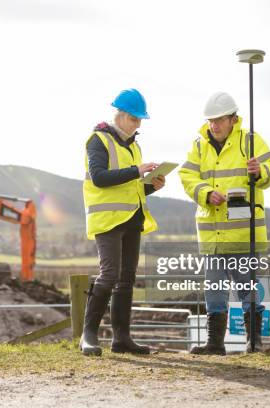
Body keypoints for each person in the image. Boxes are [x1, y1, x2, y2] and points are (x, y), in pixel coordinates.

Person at [179, 91, 270, 354]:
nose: (214, 125)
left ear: (233, 119)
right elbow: (187, 175)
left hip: (243, 233)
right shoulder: (199, 145)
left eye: (220, 119)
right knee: (214, 290)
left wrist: (261, 171)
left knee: (248, 288)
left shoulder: (250, 141)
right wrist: (204, 192)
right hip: (212, 235)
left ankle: (254, 341)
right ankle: (214, 344)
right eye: (211, 120)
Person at [80, 88, 165, 356]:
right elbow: (100, 178)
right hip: (108, 219)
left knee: (127, 279)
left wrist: (151, 186)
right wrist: (136, 171)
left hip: (132, 217)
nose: (138, 124)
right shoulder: (98, 140)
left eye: (140, 120)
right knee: (110, 274)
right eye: (134, 119)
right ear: (121, 115)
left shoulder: (134, 146)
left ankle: (122, 338)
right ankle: (88, 335)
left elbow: (131, 187)